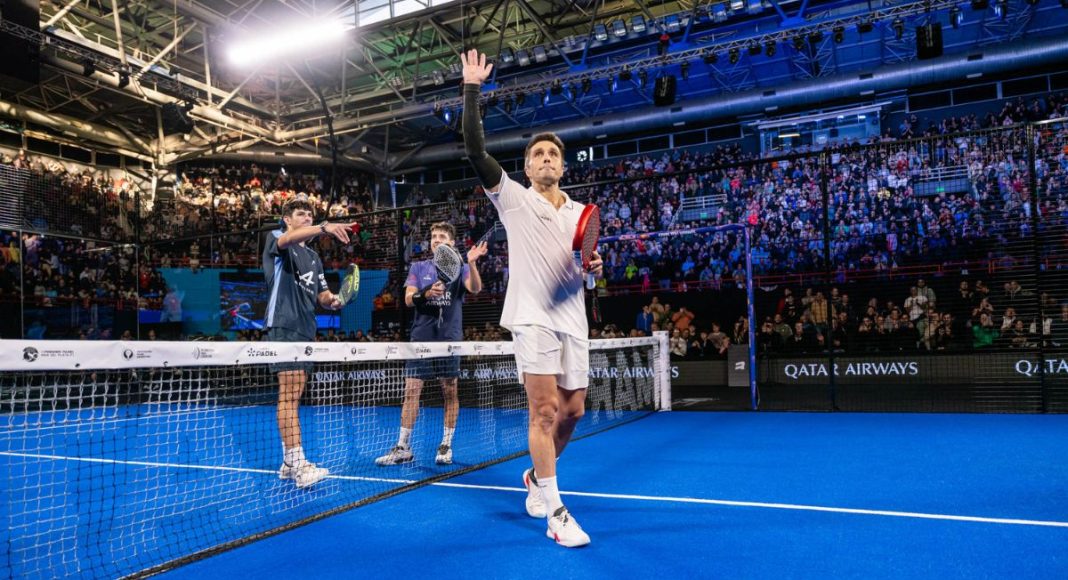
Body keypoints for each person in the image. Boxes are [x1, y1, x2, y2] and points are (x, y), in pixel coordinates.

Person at [461, 49, 603, 548]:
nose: (546, 159)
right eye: (538, 154)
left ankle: (536, 476)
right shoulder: (513, 199)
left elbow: (582, 269)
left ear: (562, 166)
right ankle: (556, 513)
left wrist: (593, 271)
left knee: (573, 412)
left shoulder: (581, 212)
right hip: (531, 318)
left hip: (573, 320)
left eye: (552, 155)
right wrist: (472, 89)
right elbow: (475, 150)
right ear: (526, 167)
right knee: (543, 412)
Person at [376, 222, 487, 466]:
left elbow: (475, 289)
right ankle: (403, 447)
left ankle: (446, 444)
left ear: (451, 243)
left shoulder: (461, 267)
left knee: (450, 391)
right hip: (421, 340)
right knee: (411, 390)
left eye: (442, 236)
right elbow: (408, 299)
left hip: (449, 340)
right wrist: (426, 293)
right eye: (434, 236)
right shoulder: (419, 267)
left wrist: (471, 263)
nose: (436, 240)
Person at [263, 199, 357, 488]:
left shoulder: (314, 258)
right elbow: (288, 240)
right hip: (284, 325)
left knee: (294, 396)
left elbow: (322, 297)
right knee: (289, 396)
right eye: (300, 214)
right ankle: (299, 464)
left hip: (306, 330)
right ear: (287, 219)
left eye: (309, 215)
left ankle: (289, 463)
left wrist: (335, 300)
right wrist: (324, 227)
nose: (306, 218)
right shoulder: (278, 237)